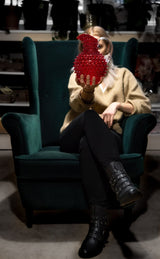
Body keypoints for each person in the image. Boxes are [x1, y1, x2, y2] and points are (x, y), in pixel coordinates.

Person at [59, 26, 151, 258]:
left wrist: (117, 105)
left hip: (107, 137)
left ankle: (98, 229)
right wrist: (87, 89)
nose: (95, 51)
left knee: (88, 146)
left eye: (98, 45)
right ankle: (120, 180)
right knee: (89, 116)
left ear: (107, 46)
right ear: (82, 50)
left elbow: (143, 106)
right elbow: (76, 107)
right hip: (73, 133)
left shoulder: (123, 75)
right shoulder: (77, 74)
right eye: (88, 46)